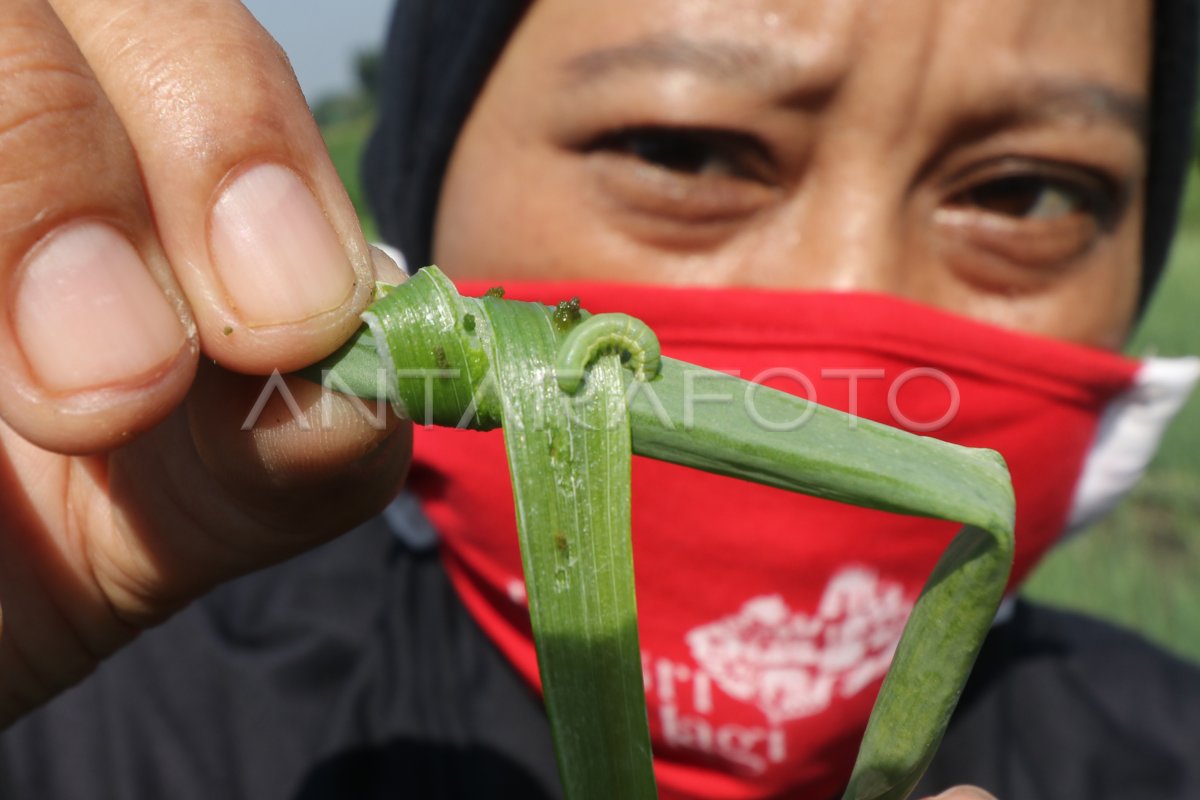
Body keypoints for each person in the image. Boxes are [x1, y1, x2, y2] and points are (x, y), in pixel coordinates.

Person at [0, 0, 1198, 798]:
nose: (852, 297)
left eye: (1029, 192)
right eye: (684, 152)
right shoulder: (99, 722)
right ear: (423, 195)